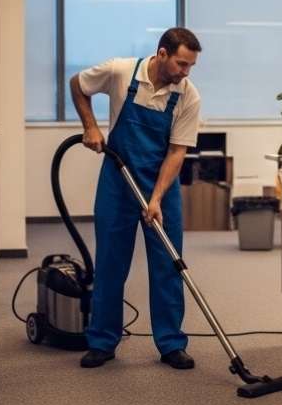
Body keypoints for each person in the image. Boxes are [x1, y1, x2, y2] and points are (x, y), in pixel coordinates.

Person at [72, 28, 202, 370]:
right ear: (161, 54)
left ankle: (171, 343)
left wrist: (156, 198)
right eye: (180, 63)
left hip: (161, 186)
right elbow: (78, 84)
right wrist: (90, 126)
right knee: (111, 264)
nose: (185, 72)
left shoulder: (187, 95)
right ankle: (101, 340)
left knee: (167, 265)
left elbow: (176, 153)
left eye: (190, 66)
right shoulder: (120, 72)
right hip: (118, 183)